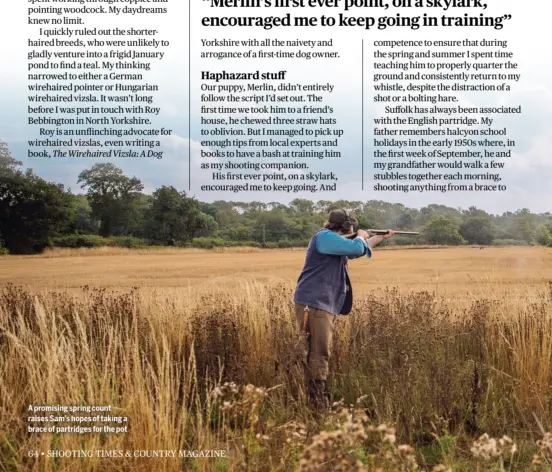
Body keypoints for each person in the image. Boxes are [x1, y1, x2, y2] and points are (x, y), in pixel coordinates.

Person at [293, 209, 394, 410]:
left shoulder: (334, 242)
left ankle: (314, 398)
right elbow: (357, 247)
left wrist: (378, 237)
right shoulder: (324, 237)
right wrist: (362, 236)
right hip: (315, 303)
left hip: (321, 303)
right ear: (348, 226)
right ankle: (316, 403)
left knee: (317, 351)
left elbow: (359, 248)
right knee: (318, 352)